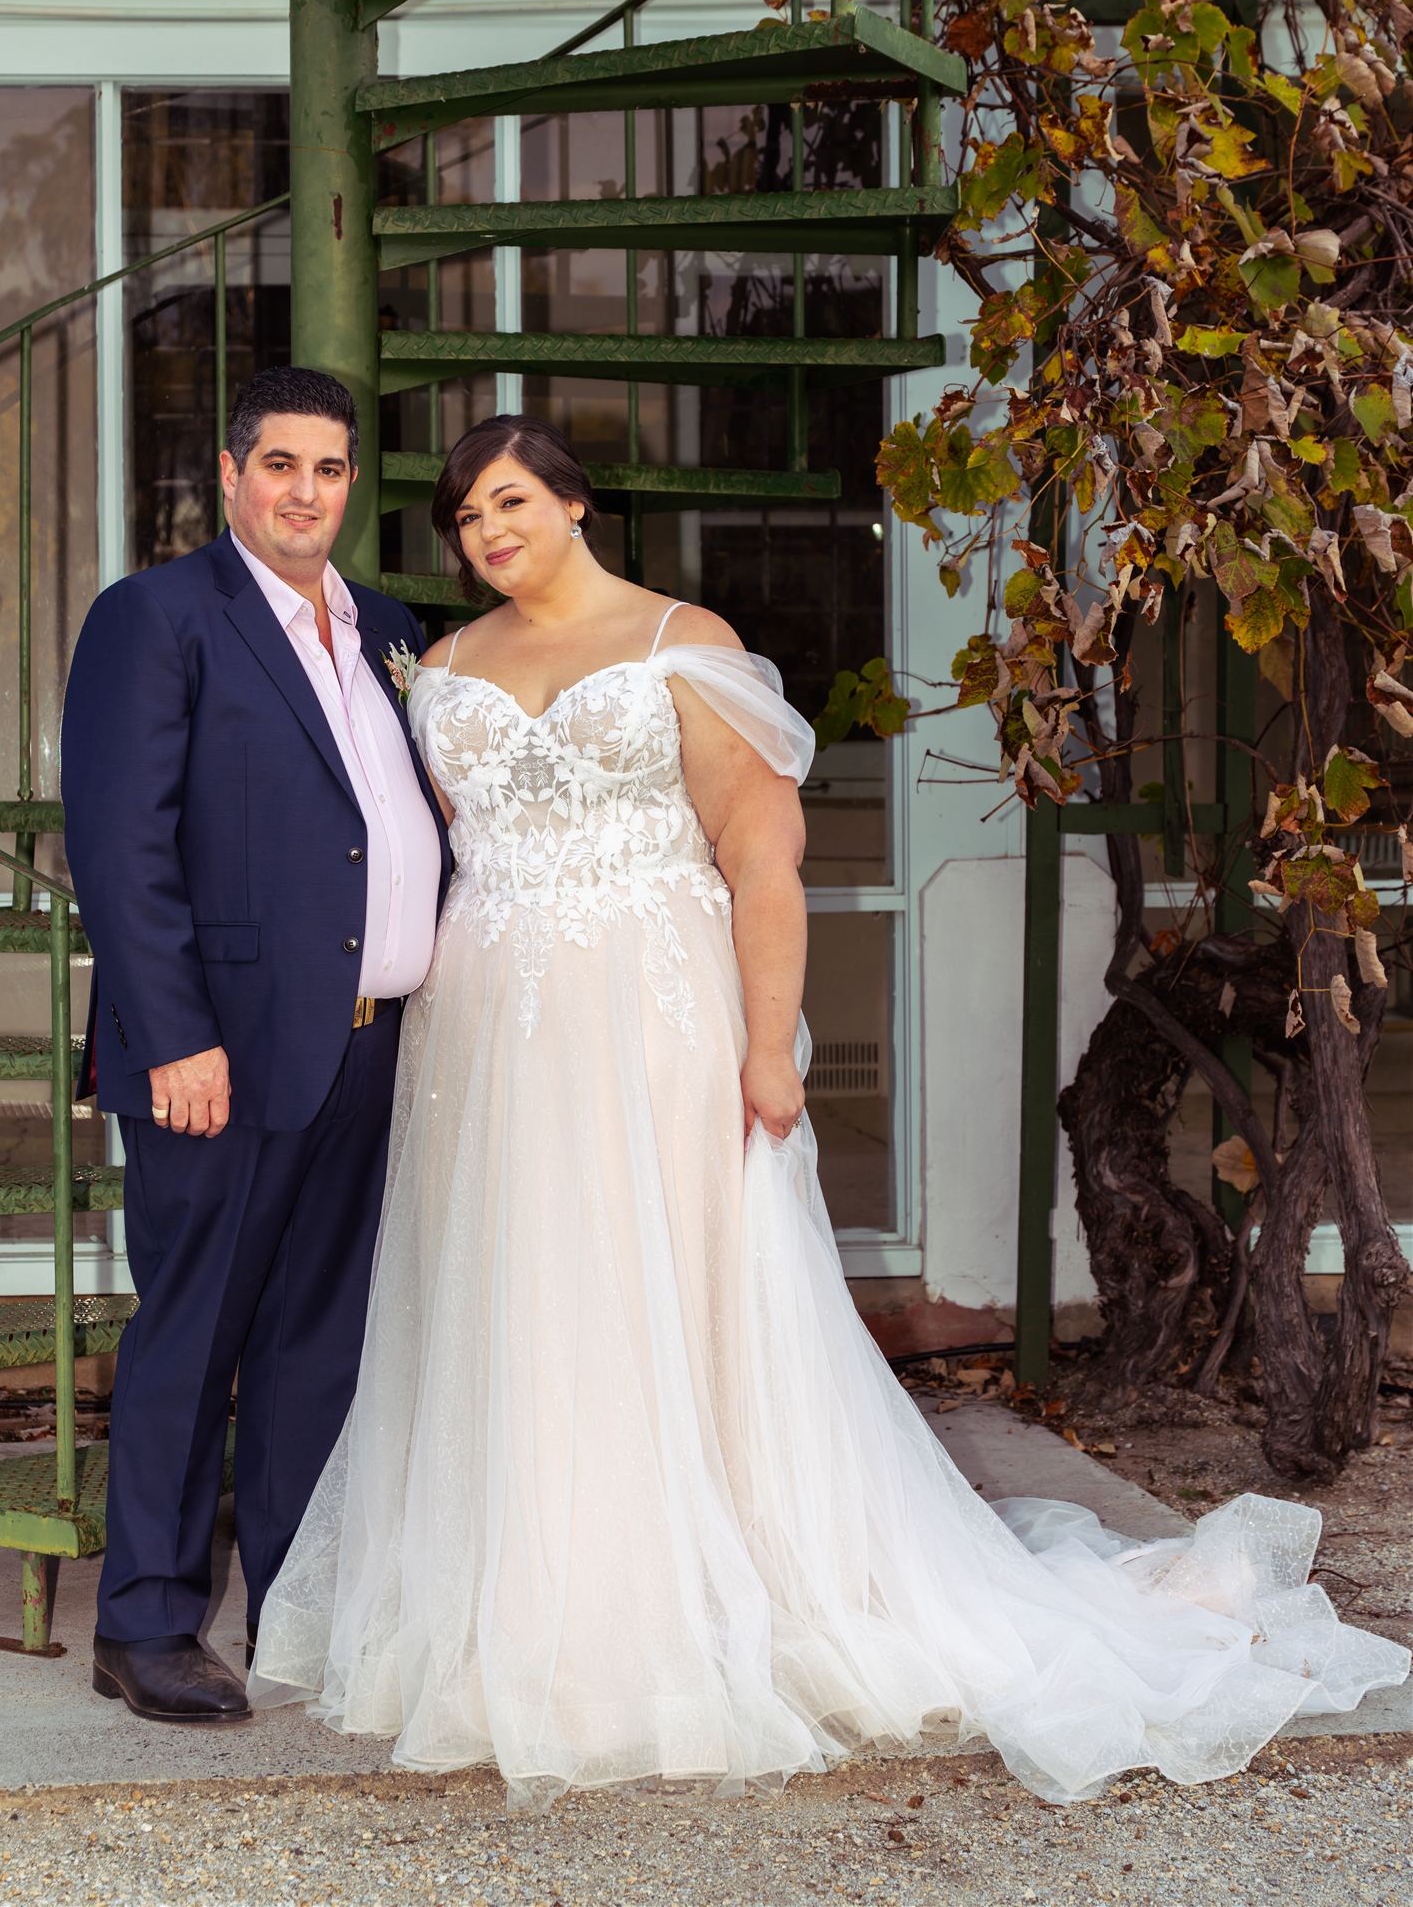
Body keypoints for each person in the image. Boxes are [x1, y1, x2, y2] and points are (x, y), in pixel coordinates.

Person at [251, 414, 1408, 1806]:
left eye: (510, 503)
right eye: (465, 518)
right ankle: (537, 1597)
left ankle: (692, 1594)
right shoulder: (442, 666)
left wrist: (766, 1045)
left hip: (652, 1010)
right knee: (522, 1290)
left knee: (670, 1283)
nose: (488, 533)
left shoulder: (681, 642)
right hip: (490, 1027)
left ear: (573, 504)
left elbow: (761, 857)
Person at [60, 366, 449, 1724]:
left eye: (328, 468)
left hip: (368, 1045)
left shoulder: (388, 626)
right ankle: (145, 1621)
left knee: (316, 1341)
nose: (304, 492)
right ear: (230, 476)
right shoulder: (157, 617)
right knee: (194, 1332)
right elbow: (120, 846)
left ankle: (297, 1602)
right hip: (216, 1054)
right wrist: (173, 1038)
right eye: (278, 464)